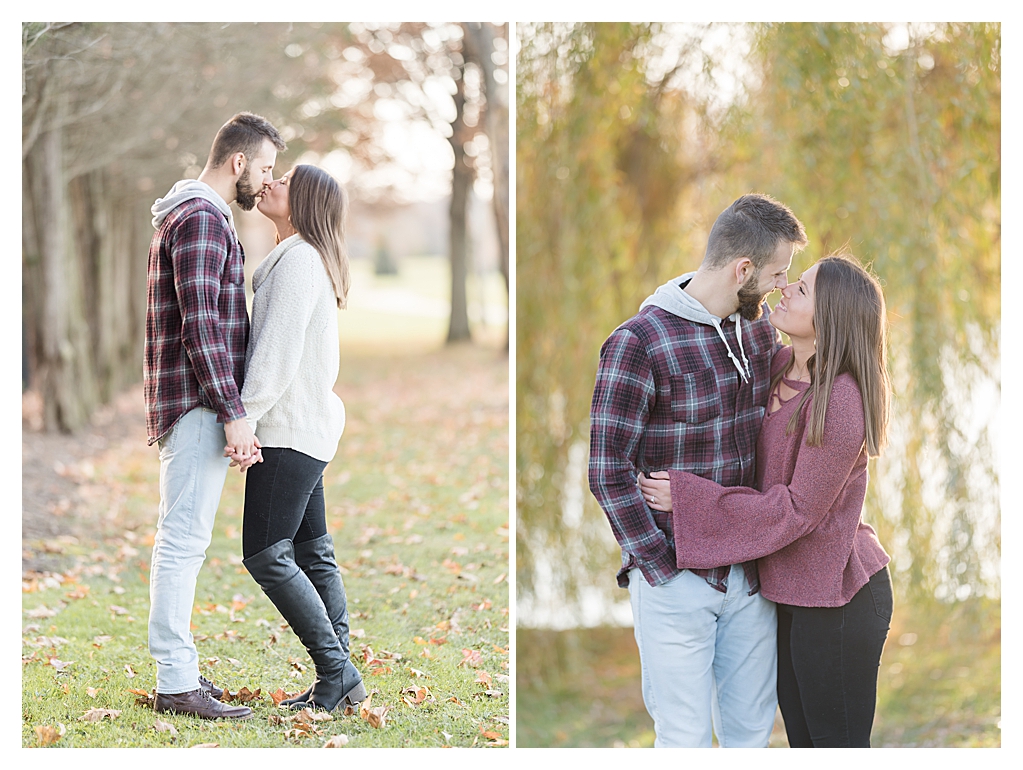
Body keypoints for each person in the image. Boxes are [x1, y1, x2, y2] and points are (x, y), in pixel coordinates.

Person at [639, 253, 893, 748]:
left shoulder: (840, 398)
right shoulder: (776, 365)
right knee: (801, 741)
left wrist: (693, 501)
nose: (785, 290)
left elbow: (796, 510)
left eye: (802, 288)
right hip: (787, 591)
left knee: (835, 746)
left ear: (831, 315)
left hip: (838, 594)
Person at [588, 194, 807, 747]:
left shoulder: (758, 333)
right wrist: (661, 567)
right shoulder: (639, 342)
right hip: (678, 580)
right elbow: (607, 469)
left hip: (750, 578)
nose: (783, 286)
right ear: (743, 270)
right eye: (778, 274)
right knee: (683, 739)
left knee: (751, 735)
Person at [144, 112, 286, 720]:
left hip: (197, 403)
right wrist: (234, 414)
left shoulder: (194, 214)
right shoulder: (202, 219)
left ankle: (182, 674)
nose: (267, 180)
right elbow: (202, 326)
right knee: (182, 544)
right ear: (239, 162)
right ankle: (176, 682)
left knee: (182, 541)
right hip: (200, 405)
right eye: (266, 168)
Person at [225, 164, 368, 713]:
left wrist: (244, 419)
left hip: (287, 431)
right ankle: (343, 679)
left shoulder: (300, 262)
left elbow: (276, 358)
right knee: (313, 551)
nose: (271, 182)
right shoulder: (302, 259)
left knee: (265, 553)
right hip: (307, 428)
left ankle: (336, 669)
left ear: (304, 201)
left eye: (284, 180)